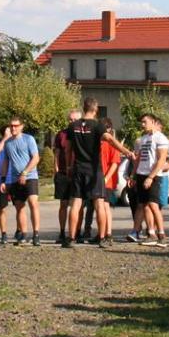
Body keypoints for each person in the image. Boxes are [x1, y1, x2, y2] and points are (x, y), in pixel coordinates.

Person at [63, 98, 132, 249]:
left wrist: (68, 166)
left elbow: (67, 149)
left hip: (78, 168)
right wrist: (126, 151)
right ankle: (102, 238)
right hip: (94, 170)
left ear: (83, 108)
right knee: (99, 203)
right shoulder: (97, 125)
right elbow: (110, 139)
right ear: (95, 110)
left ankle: (71, 238)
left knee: (76, 203)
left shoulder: (72, 126)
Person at [0, 118, 41, 246]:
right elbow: (6, 162)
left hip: (30, 176)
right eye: (11, 126)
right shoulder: (8, 143)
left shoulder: (28, 139)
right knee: (19, 206)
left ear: (21, 126)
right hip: (15, 179)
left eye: (16, 126)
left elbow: (36, 158)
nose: (13, 128)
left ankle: (36, 234)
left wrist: (25, 172)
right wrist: (3, 180)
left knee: (33, 202)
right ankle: (23, 234)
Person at [129, 114, 169, 247]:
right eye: (141, 122)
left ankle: (162, 235)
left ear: (153, 122)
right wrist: (133, 175)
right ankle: (151, 234)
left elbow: (162, 159)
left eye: (145, 122)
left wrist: (151, 177)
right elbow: (138, 159)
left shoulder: (160, 138)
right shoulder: (143, 139)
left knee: (153, 205)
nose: (142, 124)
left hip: (153, 175)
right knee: (144, 205)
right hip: (141, 174)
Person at [53, 110, 80, 243]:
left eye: (75, 120)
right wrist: (56, 169)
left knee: (77, 204)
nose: (72, 122)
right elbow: (57, 153)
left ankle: (76, 232)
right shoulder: (61, 134)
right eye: (70, 119)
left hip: (78, 172)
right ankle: (62, 232)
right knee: (63, 204)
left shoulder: (82, 134)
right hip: (63, 173)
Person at [98, 118, 125, 248]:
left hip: (107, 181)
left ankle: (108, 234)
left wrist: (106, 178)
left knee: (105, 206)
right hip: (98, 179)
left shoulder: (112, 143)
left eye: (106, 127)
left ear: (110, 129)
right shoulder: (98, 142)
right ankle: (101, 233)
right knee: (99, 206)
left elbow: (115, 163)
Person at [0, 126, 13, 245]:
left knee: (19, 206)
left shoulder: (15, 142)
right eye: (8, 131)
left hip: (15, 178)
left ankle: (20, 231)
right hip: (1, 179)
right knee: (2, 208)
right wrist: (5, 139)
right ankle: (3, 234)